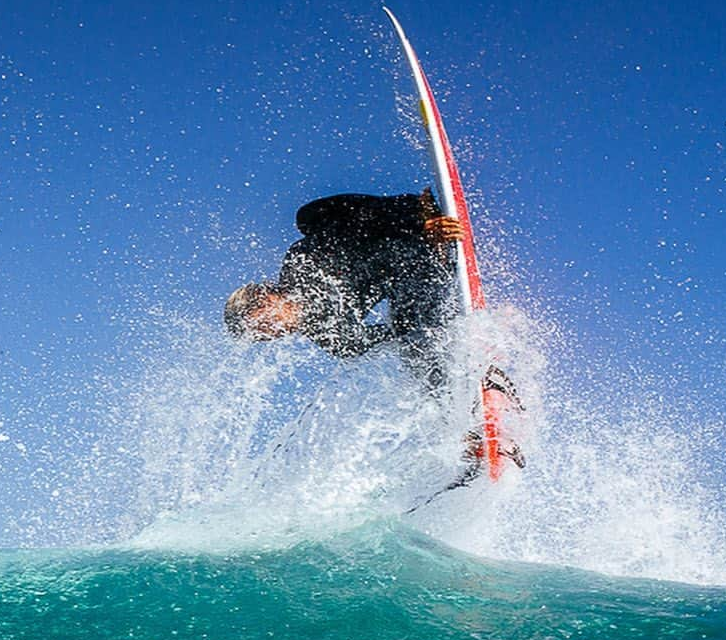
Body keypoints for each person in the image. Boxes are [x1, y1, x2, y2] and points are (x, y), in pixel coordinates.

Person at [224, 188, 523, 485]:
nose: (273, 335)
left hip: (408, 238)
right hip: (418, 280)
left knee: (309, 216)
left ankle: (420, 212)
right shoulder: (331, 338)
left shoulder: (301, 262)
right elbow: (384, 338)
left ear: (264, 297)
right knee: (413, 346)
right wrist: (436, 351)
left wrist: (417, 224)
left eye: (263, 326)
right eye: (265, 338)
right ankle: (469, 424)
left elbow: (358, 221)